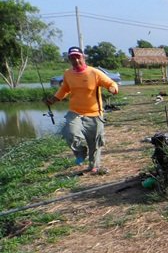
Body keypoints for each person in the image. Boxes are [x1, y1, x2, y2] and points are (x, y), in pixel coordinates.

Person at [44, 46, 119, 175]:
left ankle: (93, 165)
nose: (76, 60)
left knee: (94, 142)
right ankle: (80, 152)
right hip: (75, 112)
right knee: (70, 133)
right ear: (69, 59)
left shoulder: (94, 73)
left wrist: (113, 89)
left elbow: (111, 83)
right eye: (72, 57)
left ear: (83, 57)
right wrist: (54, 99)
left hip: (95, 113)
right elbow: (64, 89)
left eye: (78, 57)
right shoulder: (68, 73)